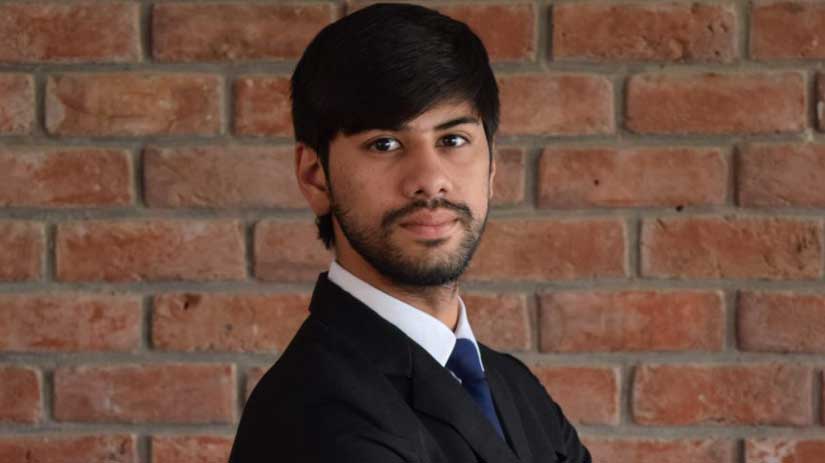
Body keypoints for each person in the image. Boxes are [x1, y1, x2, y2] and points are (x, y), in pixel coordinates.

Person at [229, 3, 591, 462]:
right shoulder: (314, 417)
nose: (430, 179)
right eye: (385, 144)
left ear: (492, 166)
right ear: (316, 177)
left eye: (453, 140)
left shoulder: (516, 389)